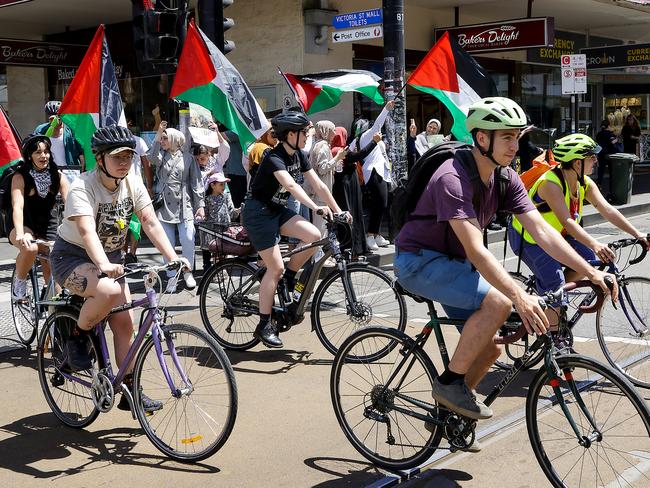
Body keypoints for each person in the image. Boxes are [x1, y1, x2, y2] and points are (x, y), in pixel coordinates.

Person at [394, 97, 614, 439]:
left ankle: (447, 410)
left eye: (517, 136)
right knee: (500, 302)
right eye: (507, 137)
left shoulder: (505, 178)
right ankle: (450, 384)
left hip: (456, 264)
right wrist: (518, 295)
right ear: (482, 138)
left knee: (493, 345)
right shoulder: (452, 178)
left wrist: (591, 270)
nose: (515, 145)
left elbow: (542, 230)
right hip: (419, 261)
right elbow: (477, 250)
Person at [49, 125, 186, 413]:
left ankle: (128, 389)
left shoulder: (132, 182)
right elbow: (87, 232)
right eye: (117, 156)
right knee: (110, 290)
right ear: (99, 159)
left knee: (126, 325)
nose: (125, 162)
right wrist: (103, 265)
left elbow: (149, 221)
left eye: (129, 156)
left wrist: (173, 257)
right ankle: (76, 335)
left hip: (109, 258)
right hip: (71, 257)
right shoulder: (82, 187)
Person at [509, 133, 648, 324]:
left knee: (590, 261)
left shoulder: (584, 182)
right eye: (591, 157)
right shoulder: (551, 183)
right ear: (577, 163)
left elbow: (607, 209)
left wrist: (637, 234)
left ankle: (551, 302)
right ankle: (556, 341)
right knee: (555, 282)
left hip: (557, 236)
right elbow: (567, 221)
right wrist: (595, 243)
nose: (596, 161)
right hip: (530, 239)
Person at [242, 112, 349, 349]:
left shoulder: (299, 154)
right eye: (304, 132)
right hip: (258, 213)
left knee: (313, 235)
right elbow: (289, 185)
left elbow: (319, 184)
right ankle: (264, 324)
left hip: (277, 210)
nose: (308, 135)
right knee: (275, 267)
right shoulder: (273, 157)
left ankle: (290, 277)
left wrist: (338, 209)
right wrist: (315, 208)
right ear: (291, 134)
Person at [9, 134, 69, 300]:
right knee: (30, 248)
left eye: (46, 152)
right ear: (29, 155)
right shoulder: (20, 176)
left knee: (54, 269)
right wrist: (20, 234)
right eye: (38, 152)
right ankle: (19, 284)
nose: (43, 156)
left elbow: (72, 204)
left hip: (48, 225)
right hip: (23, 224)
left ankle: (54, 316)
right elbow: (17, 206)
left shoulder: (58, 176)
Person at [148, 121, 204, 293]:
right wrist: (158, 133)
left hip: (184, 204)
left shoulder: (188, 158)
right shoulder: (161, 156)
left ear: (175, 140)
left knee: (188, 237)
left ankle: (187, 272)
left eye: (166, 138)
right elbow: (151, 157)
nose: (163, 141)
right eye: (162, 138)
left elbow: (196, 182)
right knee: (167, 242)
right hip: (164, 204)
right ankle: (171, 275)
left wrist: (200, 205)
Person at [350, 100, 395, 250]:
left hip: (382, 172)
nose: (373, 129)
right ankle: (370, 235)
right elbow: (377, 125)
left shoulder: (356, 140)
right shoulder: (365, 137)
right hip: (374, 173)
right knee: (380, 204)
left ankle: (375, 234)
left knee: (382, 204)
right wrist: (386, 109)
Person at [332, 127, 382, 258]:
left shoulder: (337, 149)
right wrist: (374, 142)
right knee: (351, 215)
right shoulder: (339, 151)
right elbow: (360, 155)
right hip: (347, 188)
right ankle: (352, 248)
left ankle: (352, 247)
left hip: (346, 187)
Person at [308, 120, 348, 237]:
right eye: (333, 130)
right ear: (326, 131)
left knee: (323, 227)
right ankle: (317, 254)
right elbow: (322, 168)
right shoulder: (323, 146)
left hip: (321, 192)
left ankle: (319, 253)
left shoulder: (319, 144)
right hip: (320, 194)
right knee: (320, 229)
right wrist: (337, 158)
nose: (335, 133)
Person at [34, 101, 85, 179]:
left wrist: (81, 173)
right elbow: (34, 151)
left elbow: (81, 155)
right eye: (51, 119)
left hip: (70, 173)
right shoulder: (41, 130)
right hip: (48, 172)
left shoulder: (72, 130)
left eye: (58, 119)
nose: (55, 122)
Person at [200, 172, 239, 270]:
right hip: (209, 228)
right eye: (221, 184)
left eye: (224, 184)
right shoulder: (206, 199)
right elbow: (204, 214)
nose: (223, 187)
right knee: (207, 247)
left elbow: (231, 212)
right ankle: (207, 266)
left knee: (222, 249)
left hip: (223, 227)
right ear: (212, 185)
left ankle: (221, 269)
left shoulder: (226, 196)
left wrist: (238, 211)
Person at [223, 129, 247, 208]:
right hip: (241, 172)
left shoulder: (238, 131)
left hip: (237, 173)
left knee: (237, 202)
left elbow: (221, 136)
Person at [595, 119, 620, 194]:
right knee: (611, 171)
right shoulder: (610, 134)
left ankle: (599, 185)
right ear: (608, 126)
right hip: (609, 155)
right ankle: (612, 187)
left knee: (601, 171)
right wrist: (617, 139)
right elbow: (613, 142)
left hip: (601, 154)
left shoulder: (599, 134)